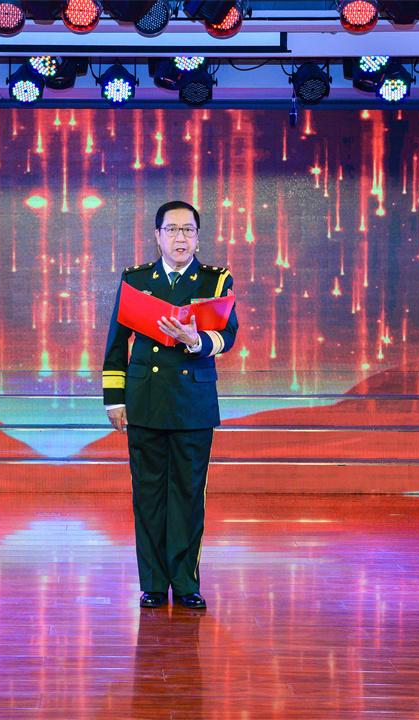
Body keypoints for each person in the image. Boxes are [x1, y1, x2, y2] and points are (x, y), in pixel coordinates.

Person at [102, 200, 239, 610]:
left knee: (188, 495)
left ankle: (185, 583)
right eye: (172, 230)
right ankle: (152, 584)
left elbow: (228, 336)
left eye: (188, 230)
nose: (181, 238)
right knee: (148, 495)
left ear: (198, 237)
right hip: (145, 400)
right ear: (158, 236)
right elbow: (116, 344)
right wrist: (114, 400)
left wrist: (195, 341)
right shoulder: (136, 279)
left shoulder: (214, 280)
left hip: (192, 401)